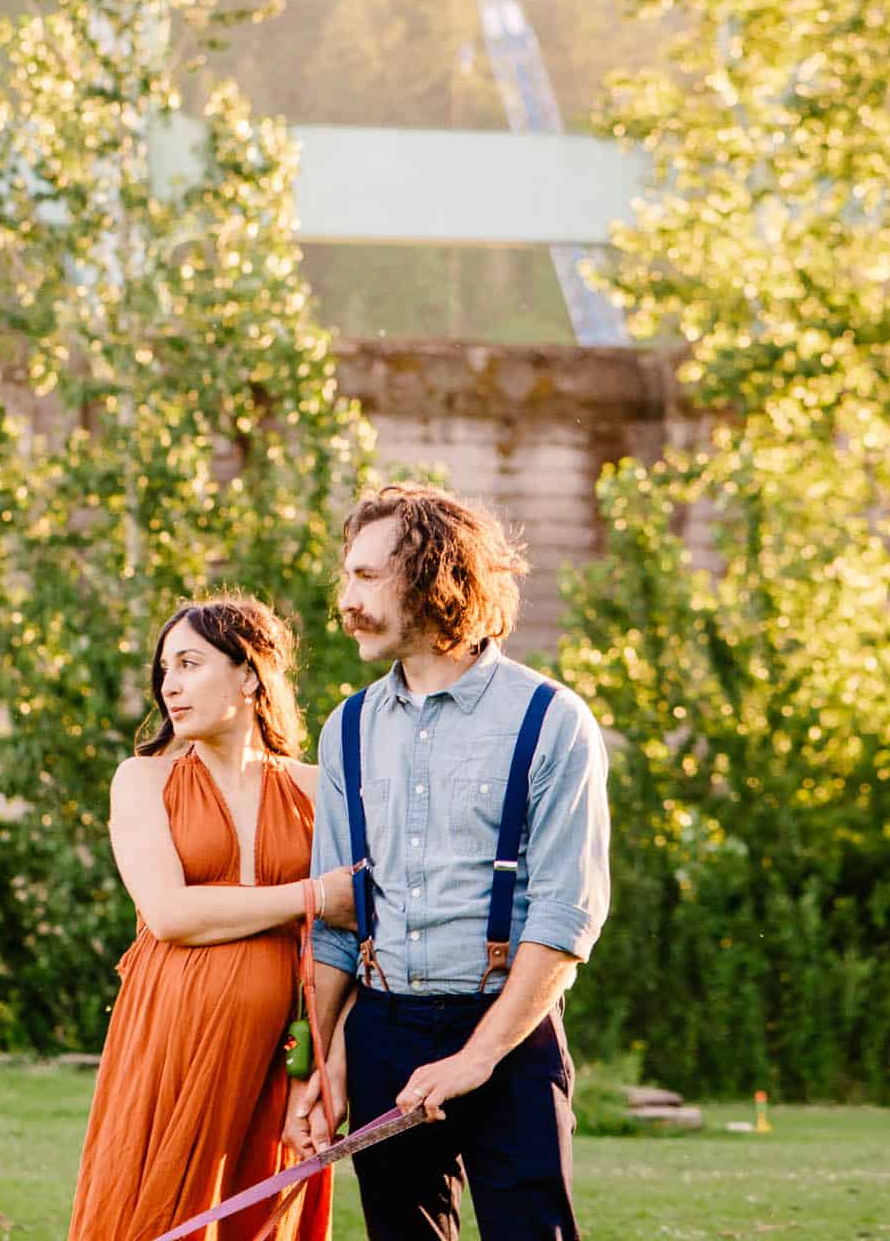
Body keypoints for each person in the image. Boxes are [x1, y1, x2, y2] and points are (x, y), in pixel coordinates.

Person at [287, 484, 611, 1241]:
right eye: (347, 576)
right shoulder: (349, 728)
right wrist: (326, 1060)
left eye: (366, 578)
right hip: (381, 1029)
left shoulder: (550, 720)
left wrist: (475, 1057)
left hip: (507, 1029)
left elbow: (564, 918)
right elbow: (339, 922)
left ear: (435, 575)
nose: (346, 599)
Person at [68, 593, 357, 1241]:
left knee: (258, 1217)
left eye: (190, 664)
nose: (170, 685)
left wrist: (324, 1065)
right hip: (173, 1035)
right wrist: (310, 896)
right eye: (164, 670)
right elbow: (169, 913)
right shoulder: (142, 780)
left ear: (250, 672)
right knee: (153, 1211)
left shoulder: (316, 788)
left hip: (281, 1051)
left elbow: (353, 935)